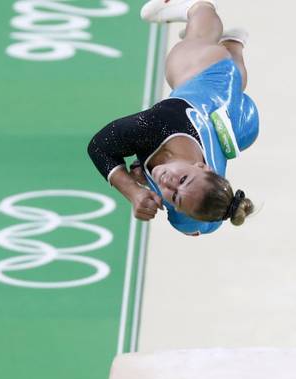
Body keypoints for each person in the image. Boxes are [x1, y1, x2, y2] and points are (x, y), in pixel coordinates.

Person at [88, 0, 259, 236]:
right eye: (183, 179)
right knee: (181, 60)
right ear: (202, 166)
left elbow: (203, 225)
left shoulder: (191, 214)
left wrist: (147, 183)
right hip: (213, 78)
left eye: (175, 197)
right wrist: (132, 191)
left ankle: (235, 43)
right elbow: (100, 146)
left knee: (236, 92)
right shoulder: (157, 125)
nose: (168, 182)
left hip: (240, 125)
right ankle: (198, 8)